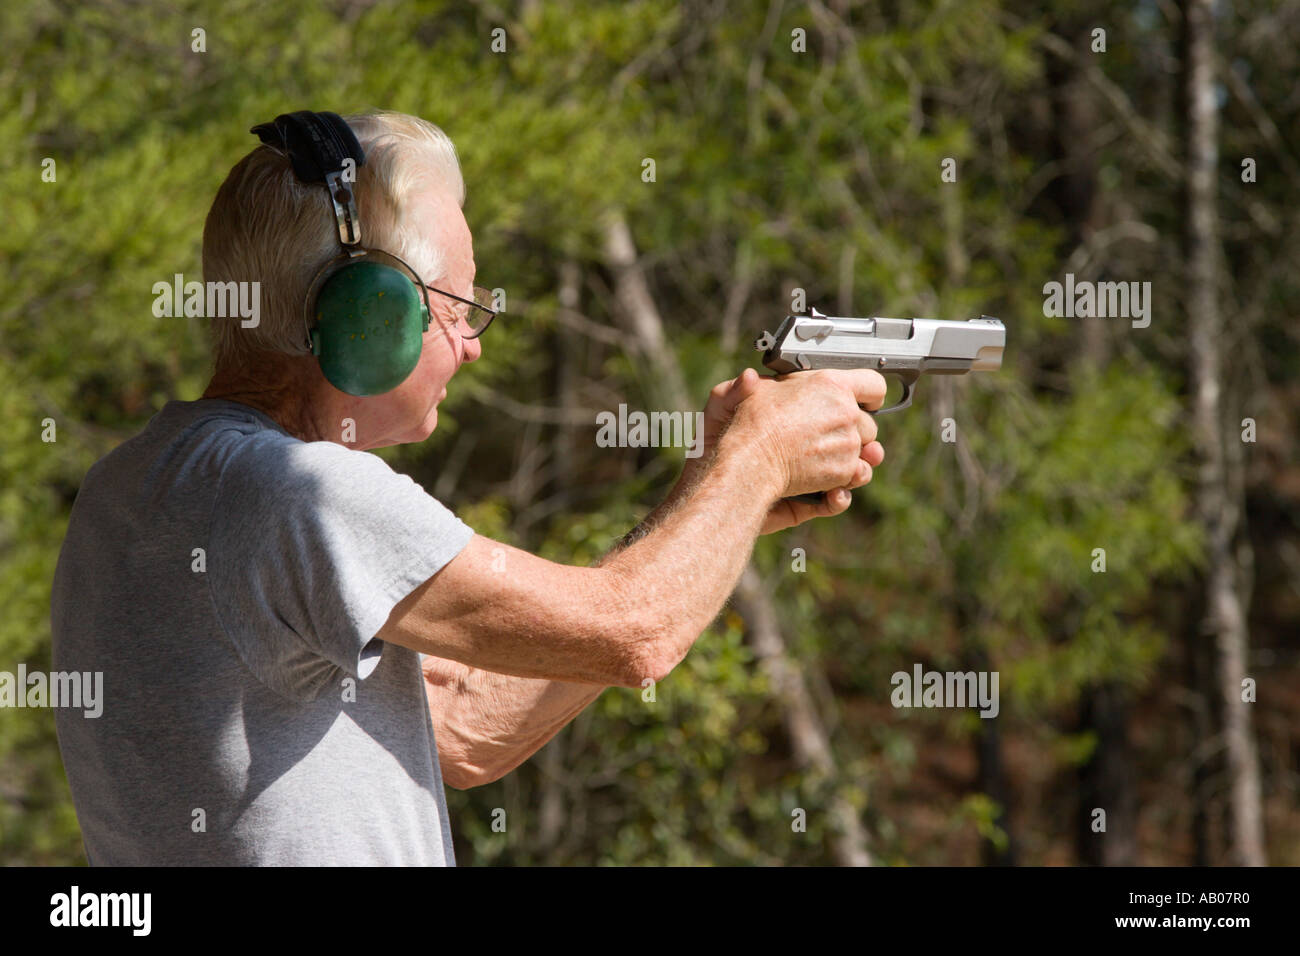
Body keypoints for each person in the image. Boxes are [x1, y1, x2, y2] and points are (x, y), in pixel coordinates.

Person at [49, 110, 885, 865]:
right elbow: (638, 633)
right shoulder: (298, 492)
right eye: (454, 306)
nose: (473, 344)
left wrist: (720, 499)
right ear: (365, 311)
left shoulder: (131, 486)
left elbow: (465, 730)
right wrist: (756, 459)